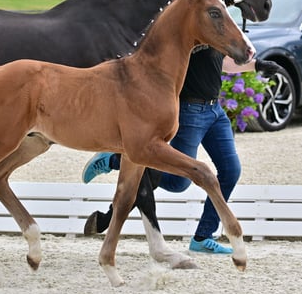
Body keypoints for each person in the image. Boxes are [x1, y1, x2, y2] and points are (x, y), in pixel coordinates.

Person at [81, 46, 279, 255]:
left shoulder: (215, 31)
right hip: (189, 111)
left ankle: (203, 237)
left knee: (231, 170)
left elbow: (223, 63)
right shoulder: (190, 31)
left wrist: (257, 65)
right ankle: (114, 159)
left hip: (215, 111)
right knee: (179, 183)